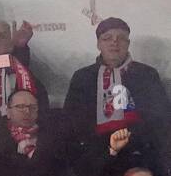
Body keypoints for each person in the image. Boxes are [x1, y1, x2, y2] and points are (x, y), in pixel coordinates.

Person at [63, 18, 171, 155]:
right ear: (98, 44)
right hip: (94, 153)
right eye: (107, 38)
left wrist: (131, 141)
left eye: (121, 38)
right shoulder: (82, 77)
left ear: (128, 43)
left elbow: (160, 118)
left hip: (138, 150)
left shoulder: (147, 74)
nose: (114, 42)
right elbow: (71, 121)